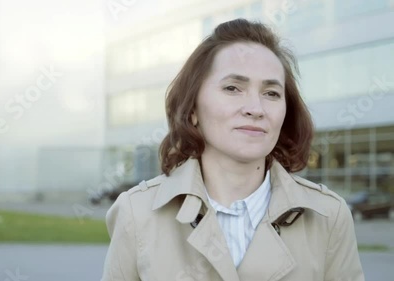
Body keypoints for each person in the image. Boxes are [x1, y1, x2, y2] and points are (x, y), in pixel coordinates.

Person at [102, 18, 364, 281]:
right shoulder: (136, 213)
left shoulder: (329, 216)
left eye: (271, 93)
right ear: (193, 109)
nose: (255, 108)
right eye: (232, 88)